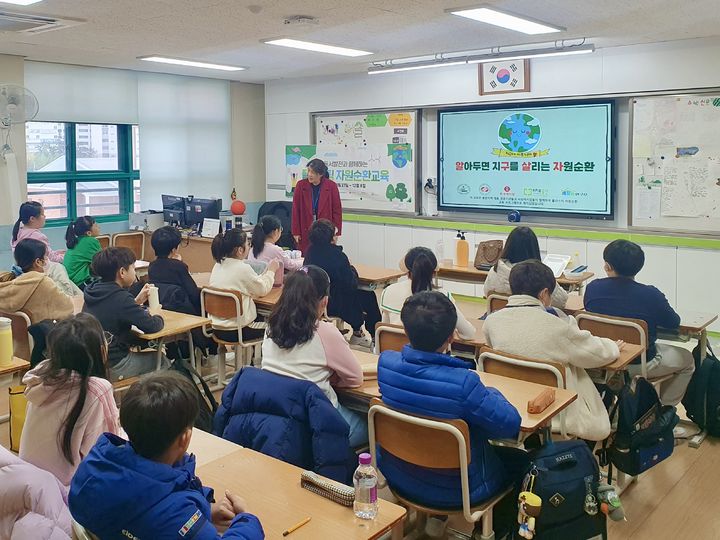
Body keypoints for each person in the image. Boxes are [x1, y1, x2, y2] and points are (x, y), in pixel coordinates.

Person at [377, 291, 525, 537]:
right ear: (451, 337)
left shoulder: (386, 364)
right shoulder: (465, 383)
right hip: (458, 490)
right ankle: (497, 531)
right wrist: (492, 392)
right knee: (521, 460)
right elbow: (510, 424)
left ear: (405, 330)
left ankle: (434, 520)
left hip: (400, 476)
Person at [69, 371, 264, 539]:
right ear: (185, 438)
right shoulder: (175, 516)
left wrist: (203, 509)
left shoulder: (93, 468)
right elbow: (169, 517)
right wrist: (246, 520)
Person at [483, 260, 622, 441]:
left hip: (509, 404)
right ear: (544, 294)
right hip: (555, 411)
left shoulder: (492, 321)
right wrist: (613, 346)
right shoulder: (557, 327)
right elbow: (595, 354)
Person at [262, 265, 366, 446]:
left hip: (278, 417)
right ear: (324, 301)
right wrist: (333, 379)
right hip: (316, 421)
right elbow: (355, 379)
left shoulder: (271, 326)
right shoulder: (325, 332)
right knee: (371, 427)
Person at [584, 239, 695, 408]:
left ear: (607, 266)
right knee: (688, 360)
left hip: (602, 360)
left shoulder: (593, 288)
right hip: (639, 364)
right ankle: (662, 411)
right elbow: (673, 323)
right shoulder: (651, 295)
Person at [19, 313, 122, 487]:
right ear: (101, 351)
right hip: (67, 496)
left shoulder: (42, 376)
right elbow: (108, 452)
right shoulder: (96, 389)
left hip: (28, 483)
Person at [83, 247, 166, 380]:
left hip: (93, 363)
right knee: (161, 360)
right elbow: (152, 326)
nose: (134, 272)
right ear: (122, 272)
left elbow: (113, 311)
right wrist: (157, 313)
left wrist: (136, 302)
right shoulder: (120, 298)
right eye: (133, 268)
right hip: (114, 365)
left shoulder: (93, 291)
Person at [304, 219, 380, 348]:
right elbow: (350, 283)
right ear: (330, 238)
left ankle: (357, 332)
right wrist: (351, 268)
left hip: (315, 300)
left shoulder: (310, 252)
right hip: (336, 303)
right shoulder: (338, 256)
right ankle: (372, 337)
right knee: (369, 296)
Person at [381, 247, 475, 340]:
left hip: (397, 353)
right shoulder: (442, 297)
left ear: (407, 270)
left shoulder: (388, 291)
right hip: (434, 354)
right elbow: (468, 334)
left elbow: (385, 332)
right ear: (434, 272)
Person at [209, 228, 278, 343]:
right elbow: (262, 290)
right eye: (248, 244)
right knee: (277, 328)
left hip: (217, 328)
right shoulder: (242, 268)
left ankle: (249, 359)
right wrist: (271, 271)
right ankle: (257, 360)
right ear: (240, 250)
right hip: (239, 330)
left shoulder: (218, 265)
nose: (249, 246)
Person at [484, 226, 568, 309]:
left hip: (500, 319)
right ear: (534, 247)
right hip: (532, 320)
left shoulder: (495, 270)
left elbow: (487, 293)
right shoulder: (540, 275)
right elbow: (561, 301)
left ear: (508, 245)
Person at [0, 239, 73, 324]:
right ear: (38, 262)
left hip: (11, 335)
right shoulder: (42, 283)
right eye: (46, 257)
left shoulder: (7, 281)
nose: (47, 260)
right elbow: (68, 308)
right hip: (40, 335)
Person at [291, 158, 342, 254]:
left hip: (325, 230)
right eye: (309, 171)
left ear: (321, 174)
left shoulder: (331, 186)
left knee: (325, 255)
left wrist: (336, 232)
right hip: (305, 227)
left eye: (313, 172)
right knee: (306, 255)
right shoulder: (301, 185)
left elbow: (337, 211)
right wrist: (295, 231)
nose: (309, 174)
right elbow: (295, 209)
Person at [148, 226, 201, 314]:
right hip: (183, 312)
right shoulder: (179, 266)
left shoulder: (152, 266)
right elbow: (193, 293)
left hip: (161, 310)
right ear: (173, 250)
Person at [248, 215, 303, 287]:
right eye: (281, 229)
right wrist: (303, 260)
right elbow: (291, 265)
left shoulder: (253, 248)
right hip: (270, 285)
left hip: (255, 283)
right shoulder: (275, 249)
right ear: (276, 231)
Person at [63, 216, 102, 288]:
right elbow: (102, 262)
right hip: (79, 283)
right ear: (89, 233)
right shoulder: (91, 241)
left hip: (70, 281)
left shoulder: (77, 240)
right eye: (96, 225)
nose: (99, 227)